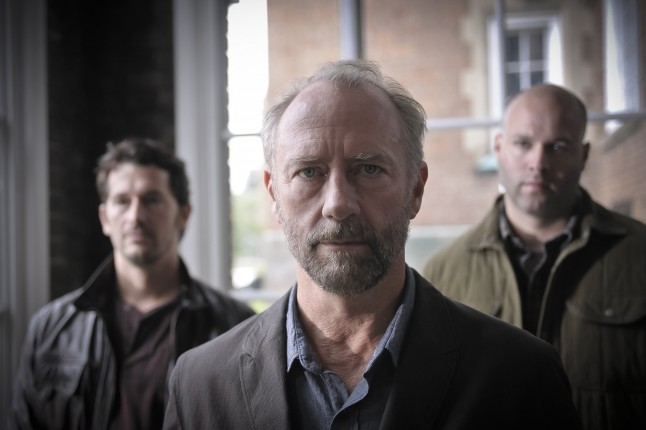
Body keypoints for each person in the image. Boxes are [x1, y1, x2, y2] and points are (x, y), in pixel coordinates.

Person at [162, 60, 581, 429]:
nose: (338, 204)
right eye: (309, 172)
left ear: (415, 190)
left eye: (369, 169)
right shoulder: (199, 384)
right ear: (273, 194)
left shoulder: (521, 375)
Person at [422, 83, 646, 429]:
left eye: (558, 146)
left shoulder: (639, 254)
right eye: (523, 144)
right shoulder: (442, 273)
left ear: (583, 155)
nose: (538, 163)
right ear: (499, 147)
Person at [10, 138, 255, 430]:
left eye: (151, 200)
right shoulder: (50, 328)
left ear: (183, 214)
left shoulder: (235, 326)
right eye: (122, 201)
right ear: (105, 218)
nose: (136, 216)